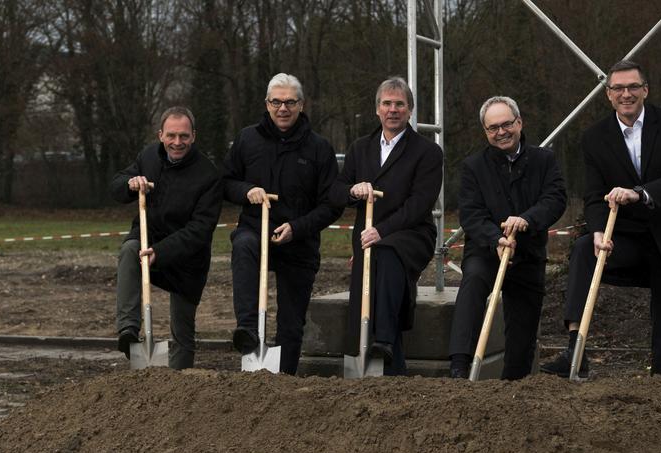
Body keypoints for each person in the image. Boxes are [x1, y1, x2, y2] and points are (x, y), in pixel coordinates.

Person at [540, 60, 661, 380]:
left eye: (632, 87)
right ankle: (575, 350)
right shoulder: (594, 138)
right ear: (608, 95)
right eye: (618, 88)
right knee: (586, 248)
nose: (625, 94)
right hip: (627, 240)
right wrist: (600, 231)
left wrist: (639, 193)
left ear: (645, 90)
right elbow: (593, 194)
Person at [223, 73, 342, 375]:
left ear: (302, 105)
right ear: (267, 104)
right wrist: (245, 190)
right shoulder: (248, 139)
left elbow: (332, 205)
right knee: (244, 243)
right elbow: (225, 182)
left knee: (291, 325)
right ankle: (248, 329)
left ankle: (285, 381)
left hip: (299, 241)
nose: (283, 108)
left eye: (290, 102)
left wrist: (298, 228)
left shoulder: (319, 148)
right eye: (276, 102)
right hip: (256, 229)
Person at [329, 76, 443, 376]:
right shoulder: (360, 148)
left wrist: (382, 231)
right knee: (367, 295)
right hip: (368, 237)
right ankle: (386, 353)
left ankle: (384, 340)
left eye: (400, 104)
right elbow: (335, 190)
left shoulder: (427, 152)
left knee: (389, 252)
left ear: (410, 110)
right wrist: (353, 190)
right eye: (387, 103)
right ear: (377, 109)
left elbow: (419, 204)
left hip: (411, 234)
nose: (393, 110)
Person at [447, 97, 567, 380]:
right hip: (487, 250)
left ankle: (514, 387)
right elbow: (471, 214)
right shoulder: (473, 167)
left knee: (523, 333)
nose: (501, 132)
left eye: (506, 125)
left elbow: (555, 199)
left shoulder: (543, 160)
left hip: (528, 253)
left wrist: (527, 219)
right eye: (493, 128)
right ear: (485, 132)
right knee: (473, 282)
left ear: (519, 123)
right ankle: (459, 367)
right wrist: (496, 239)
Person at [112, 106, 223, 370]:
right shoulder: (149, 156)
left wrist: (161, 252)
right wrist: (129, 183)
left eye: (183, 136)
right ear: (160, 134)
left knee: (182, 332)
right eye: (171, 135)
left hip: (187, 260)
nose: (177, 142)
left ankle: (179, 388)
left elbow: (200, 229)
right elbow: (116, 184)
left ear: (193, 136)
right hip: (147, 241)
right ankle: (128, 330)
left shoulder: (208, 174)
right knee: (129, 249)